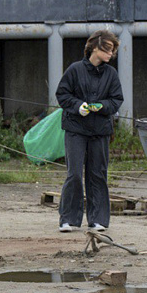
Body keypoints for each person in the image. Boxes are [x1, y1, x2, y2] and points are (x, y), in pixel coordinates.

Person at [55, 30, 124, 233]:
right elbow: (62, 94)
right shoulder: (75, 70)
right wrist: (78, 106)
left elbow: (117, 100)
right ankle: (68, 219)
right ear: (95, 47)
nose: (111, 54)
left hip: (100, 131)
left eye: (113, 50)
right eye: (108, 49)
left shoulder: (111, 74)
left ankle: (98, 220)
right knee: (74, 173)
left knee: (97, 174)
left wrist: (102, 106)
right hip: (75, 129)